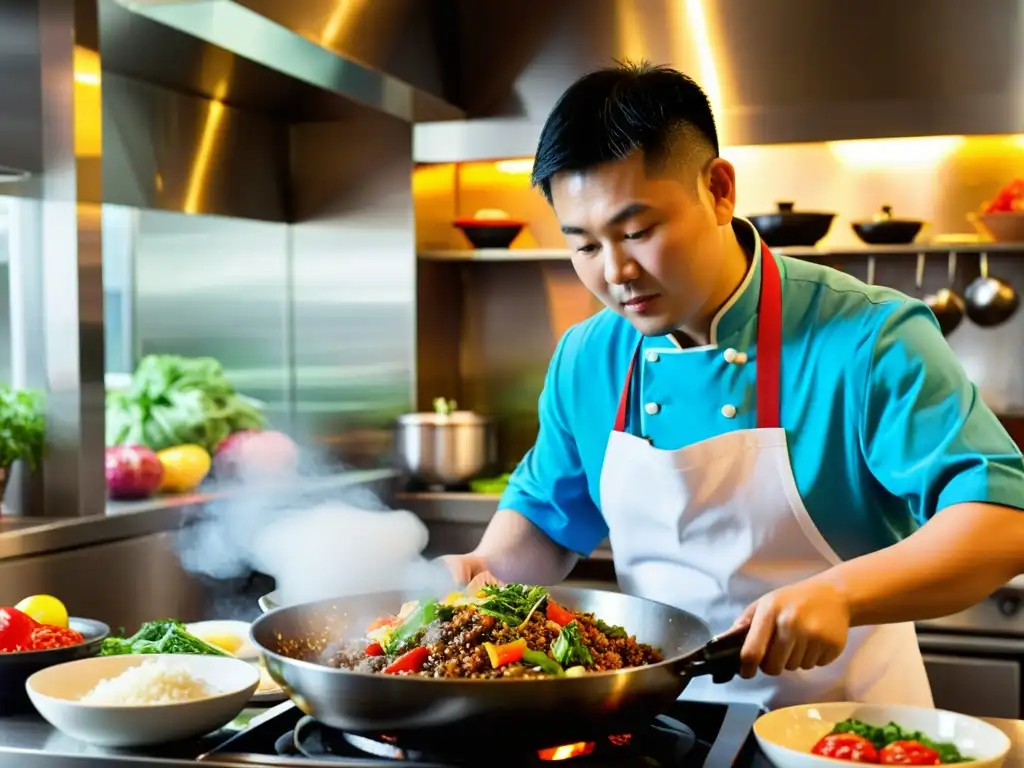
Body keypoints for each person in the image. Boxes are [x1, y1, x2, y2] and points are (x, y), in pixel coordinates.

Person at [441, 61, 1024, 709]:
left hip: (841, 732)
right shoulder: (588, 356)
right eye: (584, 245)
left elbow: (1002, 521)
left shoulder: (868, 336)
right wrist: (482, 574)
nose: (616, 272)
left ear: (719, 189)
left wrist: (839, 594)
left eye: (637, 231)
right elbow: (548, 525)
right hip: (661, 724)